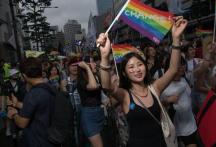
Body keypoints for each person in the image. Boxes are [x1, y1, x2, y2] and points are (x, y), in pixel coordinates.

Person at [97, 16, 187, 147]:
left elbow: (173, 70)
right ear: (124, 73)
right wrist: (104, 57)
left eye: (139, 64)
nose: (137, 69)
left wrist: (176, 39)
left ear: (145, 66)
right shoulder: (125, 95)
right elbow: (106, 86)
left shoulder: (155, 88)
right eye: (131, 67)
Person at [7, 57, 57, 147]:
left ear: (24, 75)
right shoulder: (50, 87)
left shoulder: (33, 94)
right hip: (51, 138)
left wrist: (14, 114)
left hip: (38, 140)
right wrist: (17, 103)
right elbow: (39, 107)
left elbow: (22, 123)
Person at [161, 57, 198, 147]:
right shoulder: (164, 85)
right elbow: (157, 105)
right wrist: (168, 100)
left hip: (190, 126)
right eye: (179, 65)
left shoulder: (184, 79)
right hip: (174, 129)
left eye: (183, 64)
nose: (183, 67)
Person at [77, 57, 104, 147]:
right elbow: (93, 86)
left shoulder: (95, 76)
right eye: (92, 62)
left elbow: (105, 85)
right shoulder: (81, 80)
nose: (95, 64)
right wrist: (87, 67)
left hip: (99, 112)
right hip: (89, 115)